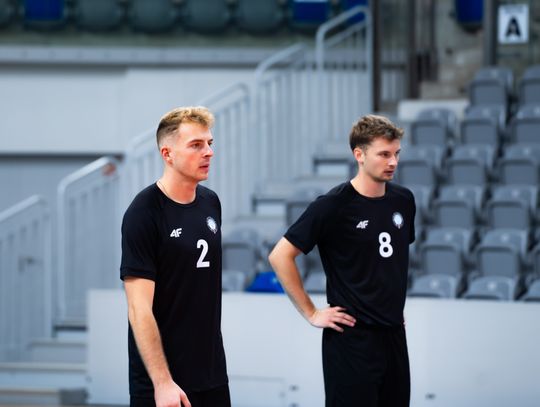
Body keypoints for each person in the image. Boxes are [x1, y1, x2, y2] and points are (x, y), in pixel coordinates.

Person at [269, 114, 416, 407]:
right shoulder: (333, 205)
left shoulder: (403, 200)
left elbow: (389, 262)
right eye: (384, 154)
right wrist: (312, 313)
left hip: (394, 335)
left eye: (396, 154)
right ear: (359, 155)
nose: (393, 162)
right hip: (351, 340)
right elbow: (280, 256)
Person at [120, 106, 230, 407]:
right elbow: (138, 308)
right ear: (167, 154)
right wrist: (162, 382)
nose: (208, 152)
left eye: (209, 143)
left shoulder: (210, 202)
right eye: (196, 145)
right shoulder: (144, 212)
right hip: (163, 384)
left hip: (212, 375)